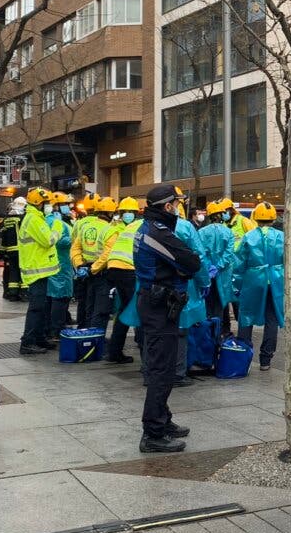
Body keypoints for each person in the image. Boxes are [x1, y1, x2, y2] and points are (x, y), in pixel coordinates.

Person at [134, 184, 201, 453]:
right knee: (162, 370)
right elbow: (192, 263)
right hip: (159, 306)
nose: (180, 207)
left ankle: (164, 419)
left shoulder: (148, 228)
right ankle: (153, 433)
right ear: (167, 206)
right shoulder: (159, 233)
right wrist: (183, 270)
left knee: (162, 364)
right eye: (177, 203)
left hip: (156, 302)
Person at [232, 202, 285, 371]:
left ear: (255, 217)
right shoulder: (282, 237)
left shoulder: (249, 237)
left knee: (246, 316)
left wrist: (237, 286)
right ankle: (265, 360)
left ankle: (243, 356)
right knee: (272, 319)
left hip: (253, 280)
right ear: (273, 218)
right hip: (275, 280)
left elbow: (239, 264)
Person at [91, 197, 141, 364]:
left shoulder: (121, 228)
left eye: (131, 212)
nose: (128, 215)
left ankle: (115, 351)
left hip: (114, 270)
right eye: (126, 212)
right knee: (136, 309)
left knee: (124, 310)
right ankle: (142, 352)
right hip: (128, 271)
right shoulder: (138, 227)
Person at [170, 188, 210, 385]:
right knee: (180, 328)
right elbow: (198, 257)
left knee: (153, 330)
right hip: (181, 285)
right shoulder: (184, 227)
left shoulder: (146, 226)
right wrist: (204, 282)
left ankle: (149, 370)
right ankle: (177, 373)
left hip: (151, 287)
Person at [17, 187, 61, 355]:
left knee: (40, 307)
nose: (49, 206)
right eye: (46, 203)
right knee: (36, 308)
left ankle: (39, 338)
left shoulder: (35, 218)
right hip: (35, 270)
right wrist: (57, 225)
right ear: (38, 203)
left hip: (38, 269)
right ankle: (28, 342)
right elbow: (49, 240)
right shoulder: (34, 219)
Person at [72, 196, 113, 328]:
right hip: (101, 273)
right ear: (110, 213)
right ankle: (96, 339)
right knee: (101, 309)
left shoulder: (85, 226)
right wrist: (94, 269)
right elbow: (107, 254)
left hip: (86, 271)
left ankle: (86, 334)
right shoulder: (110, 229)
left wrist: (79, 265)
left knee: (89, 305)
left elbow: (75, 248)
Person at [199, 198, 237, 333]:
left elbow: (200, 253)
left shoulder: (202, 232)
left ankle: (207, 335)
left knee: (208, 305)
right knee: (221, 305)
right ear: (221, 215)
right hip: (223, 275)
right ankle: (220, 333)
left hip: (206, 274)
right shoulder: (228, 232)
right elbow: (229, 254)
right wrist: (219, 266)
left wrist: (209, 267)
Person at [46, 193, 75, 344]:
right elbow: (60, 242)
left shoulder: (52, 220)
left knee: (55, 298)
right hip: (60, 264)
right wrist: (76, 237)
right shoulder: (56, 222)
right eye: (64, 204)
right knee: (61, 298)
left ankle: (54, 329)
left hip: (56, 264)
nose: (67, 206)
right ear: (56, 205)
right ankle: (56, 330)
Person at [0, 198, 26, 301]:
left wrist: (2, 250)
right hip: (22, 250)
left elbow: (3, 236)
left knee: (13, 271)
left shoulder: (7, 220)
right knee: (23, 271)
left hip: (10, 251)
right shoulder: (22, 219)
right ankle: (24, 293)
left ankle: (12, 293)